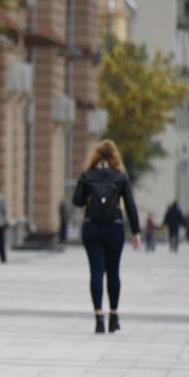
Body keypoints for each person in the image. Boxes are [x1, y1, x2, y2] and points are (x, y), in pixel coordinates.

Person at [72, 139, 141, 334]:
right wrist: (136, 232)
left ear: (95, 156)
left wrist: (86, 189)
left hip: (92, 227)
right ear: (115, 157)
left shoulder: (87, 175)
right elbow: (130, 205)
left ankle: (98, 317)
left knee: (96, 272)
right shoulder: (120, 177)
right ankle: (114, 316)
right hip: (114, 228)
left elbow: (77, 201)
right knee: (113, 272)